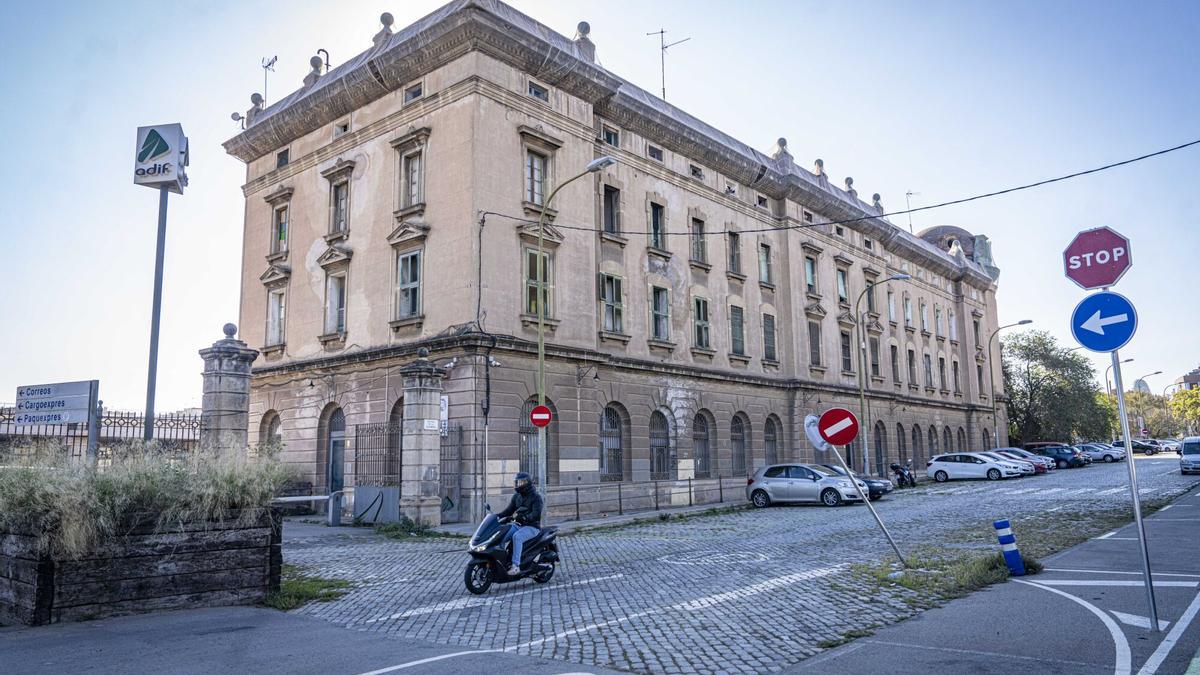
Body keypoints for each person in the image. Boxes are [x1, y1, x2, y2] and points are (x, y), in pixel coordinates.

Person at [497, 471, 543, 576]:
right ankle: (501, 561)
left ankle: (515, 566)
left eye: (521, 482)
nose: (519, 485)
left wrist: (525, 517)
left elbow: (536, 514)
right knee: (501, 535)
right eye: (517, 483)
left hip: (532, 527)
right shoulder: (517, 496)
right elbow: (508, 511)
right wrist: (496, 516)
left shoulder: (536, 497)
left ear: (528, 483)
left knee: (517, 537)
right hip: (518, 525)